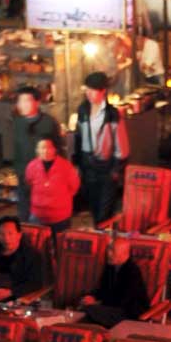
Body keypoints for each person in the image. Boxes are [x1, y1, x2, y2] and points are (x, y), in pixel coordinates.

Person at [73, 71, 129, 226]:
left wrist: (116, 170)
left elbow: (122, 147)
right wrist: (77, 163)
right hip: (88, 167)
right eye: (87, 90)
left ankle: (104, 242)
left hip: (106, 168)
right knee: (93, 208)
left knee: (104, 214)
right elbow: (79, 137)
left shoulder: (112, 115)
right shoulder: (82, 110)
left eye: (92, 90)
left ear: (103, 91)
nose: (88, 93)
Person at [12, 86, 60, 221]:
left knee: (44, 216)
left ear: (37, 103)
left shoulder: (49, 122)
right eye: (20, 101)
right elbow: (17, 150)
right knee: (24, 215)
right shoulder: (17, 122)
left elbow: (58, 150)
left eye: (26, 101)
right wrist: (19, 172)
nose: (22, 105)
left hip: (45, 178)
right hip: (24, 177)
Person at [80, 235, 150, 327]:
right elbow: (102, 289)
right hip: (112, 308)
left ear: (124, 254)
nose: (108, 253)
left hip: (129, 313)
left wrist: (97, 303)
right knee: (83, 305)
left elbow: (123, 300)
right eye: (109, 249)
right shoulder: (110, 267)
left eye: (112, 251)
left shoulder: (132, 271)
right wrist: (92, 297)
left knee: (89, 311)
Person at [0, 214, 43, 300]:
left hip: (15, 296)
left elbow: (36, 282)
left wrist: (11, 292)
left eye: (10, 234)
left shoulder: (31, 255)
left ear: (19, 235)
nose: (6, 238)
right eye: (2, 234)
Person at [24, 136, 80, 234]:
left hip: (60, 217)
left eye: (48, 148)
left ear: (55, 149)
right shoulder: (31, 166)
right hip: (37, 216)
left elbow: (74, 187)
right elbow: (29, 184)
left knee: (59, 246)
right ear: (37, 150)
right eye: (41, 148)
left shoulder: (66, 166)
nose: (45, 151)